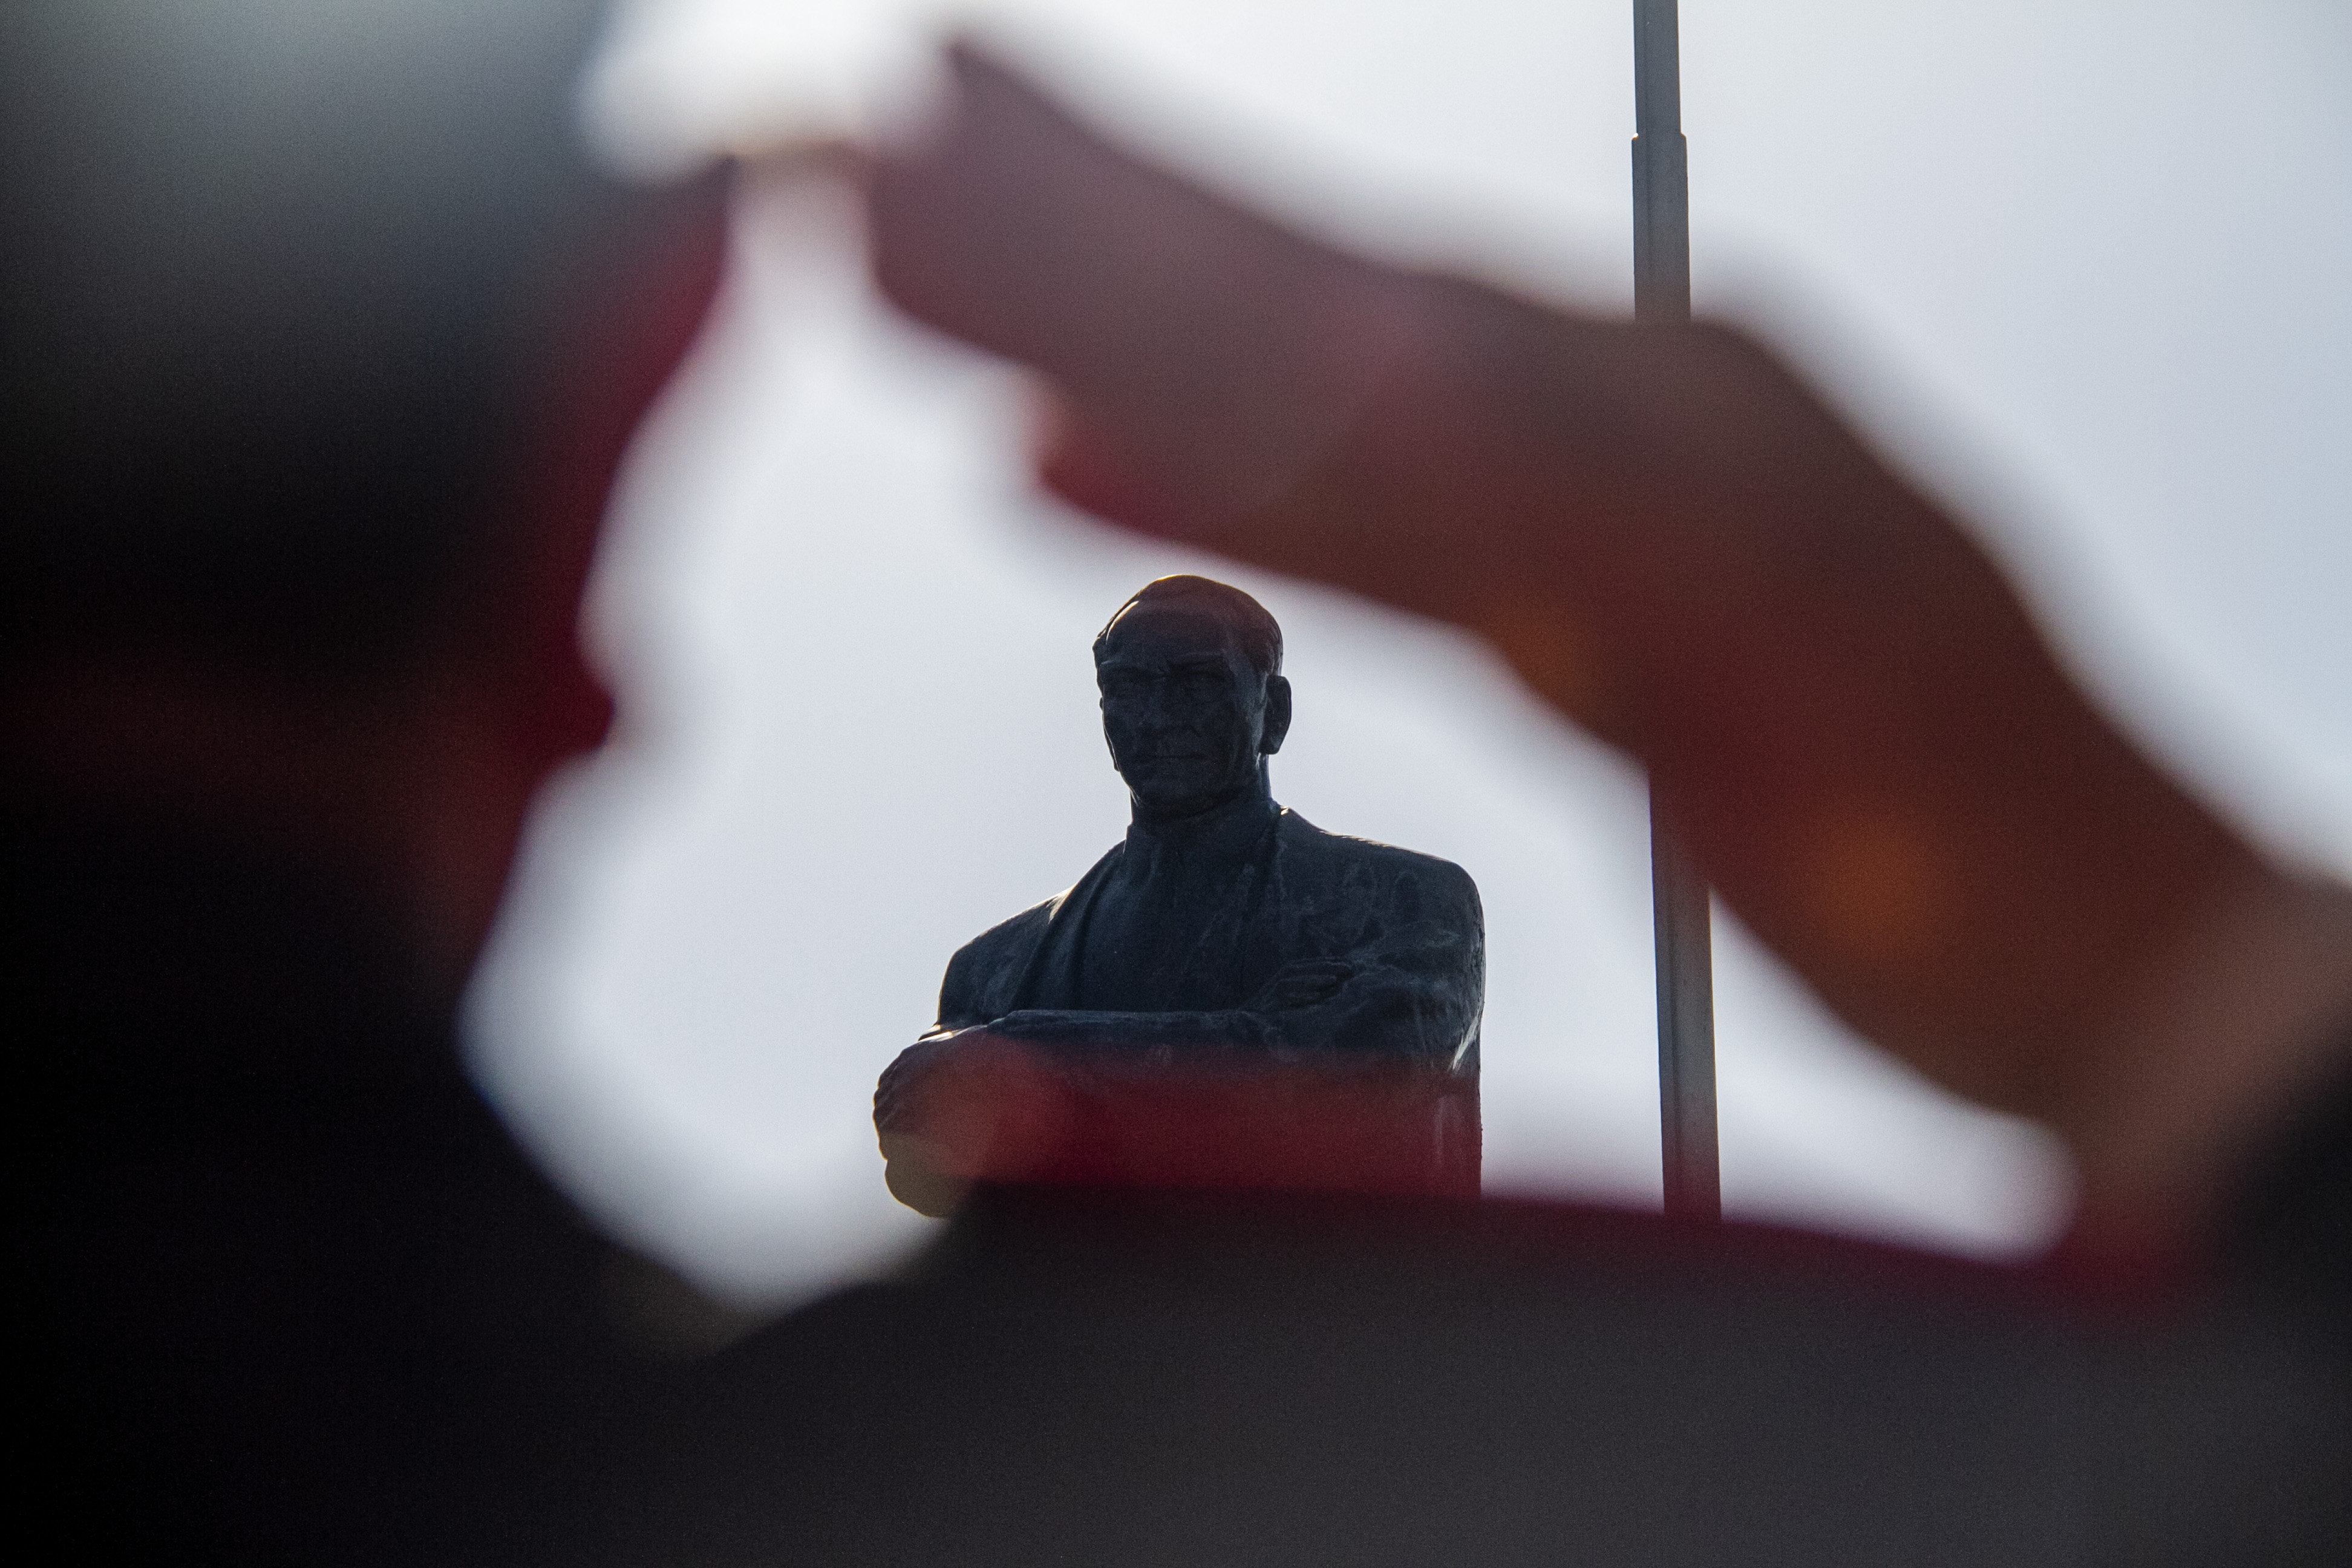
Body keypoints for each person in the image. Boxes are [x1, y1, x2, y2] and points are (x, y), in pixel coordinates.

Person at [875, 574, 1485, 1214]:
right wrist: (1248, 1035)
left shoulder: (1402, 903)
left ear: (1274, 714)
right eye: (1128, 688)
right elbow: (929, 1159)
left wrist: (1020, 1054)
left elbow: (1348, 1078)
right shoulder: (993, 974)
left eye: (1197, 683)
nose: (1159, 718)